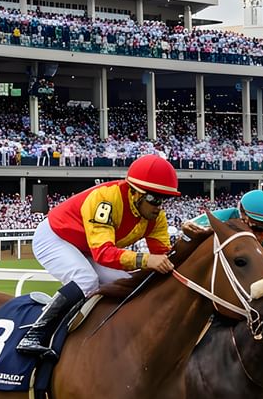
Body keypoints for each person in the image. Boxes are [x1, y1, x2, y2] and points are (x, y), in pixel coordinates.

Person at [17, 153, 180, 359]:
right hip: (55, 236)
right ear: (135, 193)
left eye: (164, 200)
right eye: (154, 199)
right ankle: (34, 334)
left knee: (128, 284)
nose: (159, 207)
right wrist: (146, 260)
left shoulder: (156, 219)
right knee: (86, 280)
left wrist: (188, 243)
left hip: (87, 247)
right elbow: (103, 254)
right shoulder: (106, 199)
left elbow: (165, 259)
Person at [181, 189, 263, 253]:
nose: (262, 237)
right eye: (256, 228)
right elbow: (189, 225)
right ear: (243, 215)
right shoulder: (225, 217)